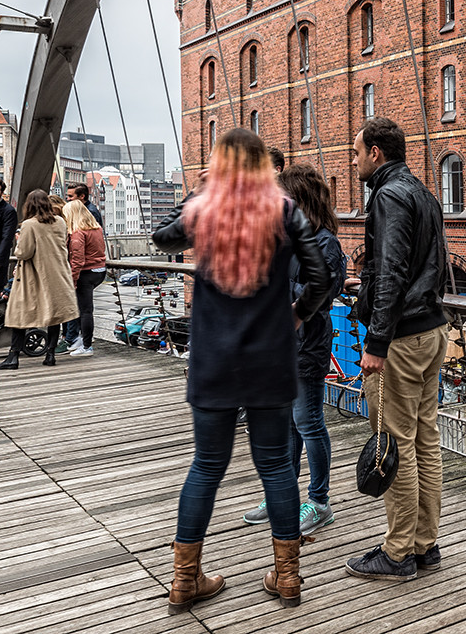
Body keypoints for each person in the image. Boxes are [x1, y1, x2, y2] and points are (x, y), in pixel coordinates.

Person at [151, 128, 333, 609]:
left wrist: (201, 193)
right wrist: (297, 315)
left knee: (206, 466)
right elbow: (322, 276)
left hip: (213, 359)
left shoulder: (203, 209)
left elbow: (161, 239)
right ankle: (288, 576)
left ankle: (185, 581)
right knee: (275, 466)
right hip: (270, 358)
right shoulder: (284, 211)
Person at [345, 117, 452, 582]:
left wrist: (376, 341)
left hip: (401, 341)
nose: (352, 162)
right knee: (425, 441)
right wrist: (365, 286)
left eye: (356, 153)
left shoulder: (386, 196)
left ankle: (397, 552)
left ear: (375, 153)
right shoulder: (424, 194)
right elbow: (419, 267)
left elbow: (390, 273)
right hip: (432, 332)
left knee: (394, 443)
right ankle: (425, 545)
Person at [242, 162, 345, 534]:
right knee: (286, 426)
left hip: (306, 345)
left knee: (308, 423)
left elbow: (317, 295)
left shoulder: (325, 244)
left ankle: (319, 501)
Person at [0, 191, 75, 369]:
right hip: (58, 273)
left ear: (28, 205)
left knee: (20, 313)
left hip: (33, 275)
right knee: (55, 315)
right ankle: (50, 354)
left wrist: (18, 240)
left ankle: (13, 357)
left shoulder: (29, 225)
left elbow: (24, 253)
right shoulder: (60, 221)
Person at [62, 198, 107, 356]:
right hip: (99, 271)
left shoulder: (77, 234)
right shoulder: (97, 229)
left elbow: (78, 260)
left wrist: (72, 280)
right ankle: (83, 340)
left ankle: (87, 346)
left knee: (85, 310)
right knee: (85, 309)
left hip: (85, 274)